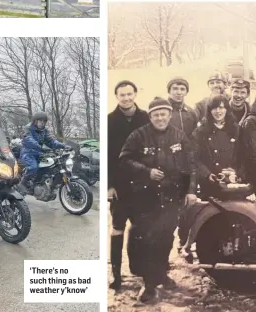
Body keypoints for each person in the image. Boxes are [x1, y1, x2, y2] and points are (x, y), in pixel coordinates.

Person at [119, 97, 197, 303]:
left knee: (165, 237)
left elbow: (191, 166)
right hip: (146, 197)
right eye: (156, 115)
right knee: (147, 239)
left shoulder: (180, 136)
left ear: (169, 115)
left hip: (172, 197)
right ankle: (149, 284)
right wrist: (146, 171)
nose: (160, 118)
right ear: (150, 116)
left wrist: (190, 191)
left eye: (163, 114)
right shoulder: (139, 135)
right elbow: (124, 159)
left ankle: (161, 273)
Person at [107, 80, 150, 291]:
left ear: (135, 94)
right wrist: (109, 185)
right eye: (122, 95)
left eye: (129, 94)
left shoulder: (146, 118)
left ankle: (140, 270)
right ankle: (116, 275)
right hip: (120, 186)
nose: (126, 98)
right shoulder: (109, 121)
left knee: (141, 229)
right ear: (117, 97)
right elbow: (106, 157)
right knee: (117, 229)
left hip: (142, 185)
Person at [192, 94, 241, 200]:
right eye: (214, 108)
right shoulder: (201, 131)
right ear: (209, 110)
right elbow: (195, 158)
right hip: (210, 183)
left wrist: (236, 172)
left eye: (221, 107)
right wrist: (207, 174)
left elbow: (243, 155)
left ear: (227, 109)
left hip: (232, 182)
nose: (218, 111)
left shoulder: (236, 129)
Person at [18, 112, 66, 194]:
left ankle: (40, 183)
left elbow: (51, 141)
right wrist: (40, 147)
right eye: (40, 121)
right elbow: (29, 139)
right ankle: (22, 184)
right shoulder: (28, 128)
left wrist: (63, 146)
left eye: (44, 121)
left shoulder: (45, 130)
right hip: (28, 153)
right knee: (33, 167)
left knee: (50, 165)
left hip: (40, 153)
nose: (42, 123)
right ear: (35, 121)